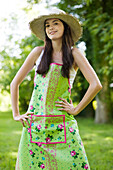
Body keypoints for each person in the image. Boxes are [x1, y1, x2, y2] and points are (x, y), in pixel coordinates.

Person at [10, 7, 102, 170]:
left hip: (63, 124)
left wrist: (76, 109)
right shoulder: (38, 53)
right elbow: (14, 83)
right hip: (35, 123)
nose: (51, 28)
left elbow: (96, 84)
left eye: (56, 23)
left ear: (65, 27)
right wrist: (16, 114)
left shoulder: (75, 54)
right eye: (47, 25)